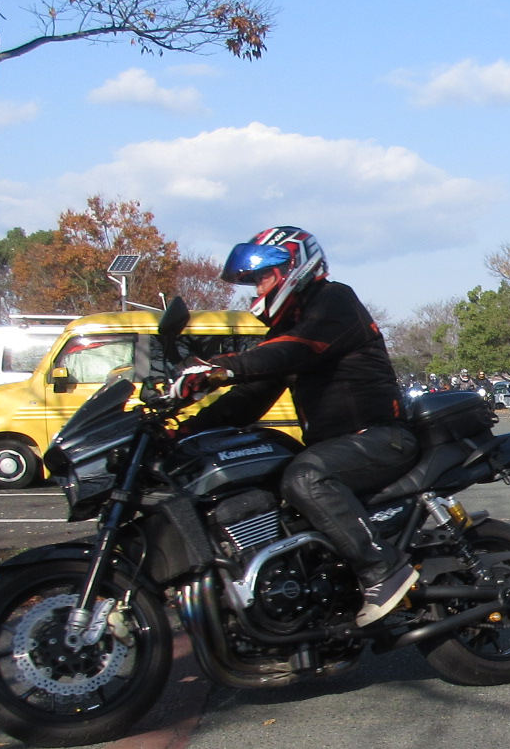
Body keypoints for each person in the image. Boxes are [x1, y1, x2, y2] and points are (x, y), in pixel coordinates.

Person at [174, 225, 420, 626]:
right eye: (253, 281)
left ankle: (383, 568)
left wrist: (219, 367)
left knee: (304, 477)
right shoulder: (287, 330)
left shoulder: (334, 301)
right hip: (337, 446)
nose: (257, 289)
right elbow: (249, 398)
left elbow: (294, 350)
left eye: (262, 277)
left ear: (293, 266)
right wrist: (184, 431)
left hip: (381, 437)